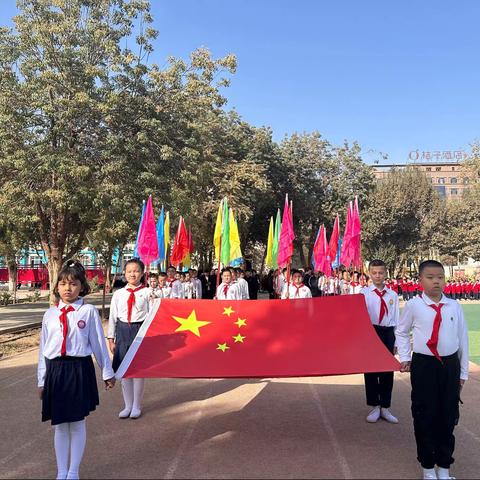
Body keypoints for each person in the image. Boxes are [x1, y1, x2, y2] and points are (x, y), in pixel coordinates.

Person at [38, 260, 115, 480]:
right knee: (60, 424)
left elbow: (99, 344)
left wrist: (107, 372)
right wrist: (41, 380)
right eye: (63, 284)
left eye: (73, 283)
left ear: (82, 286)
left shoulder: (88, 311)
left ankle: (73, 472)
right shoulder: (50, 315)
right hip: (55, 371)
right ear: (57, 287)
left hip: (78, 369)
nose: (67, 288)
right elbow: (44, 348)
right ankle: (61, 472)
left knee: (77, 421)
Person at [396, 260, 469, 480]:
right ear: (420, 281)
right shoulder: (414, 306)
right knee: (424, 414)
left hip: (449, 367)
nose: (436, 281)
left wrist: (463, 373)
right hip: (424, 365)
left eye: (440, 277)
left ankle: (444, 466)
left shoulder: (454, 306)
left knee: (448, 415)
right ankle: (428, 466)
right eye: (430, 277)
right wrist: (406, 357)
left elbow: (462, 339)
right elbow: (401, 332)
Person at [108, 258, 150, 419]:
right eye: (129, 271)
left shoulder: (147, 293)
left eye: (136, 271)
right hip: (123, 331)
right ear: (124, 273)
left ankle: (136, 406)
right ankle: (127, 405)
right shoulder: (118, 294)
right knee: (124, 370)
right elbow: (113, 317)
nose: (133, 274)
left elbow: (152, 314)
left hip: (140, 331)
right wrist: (111, 338)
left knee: (138, 371)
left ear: (142, 273)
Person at [361, 259, 399, 424]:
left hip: (387, 332)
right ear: (370, 273)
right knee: (370, 370)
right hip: (370, 332)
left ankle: (385, 406)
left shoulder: (393, 295)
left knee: (386, 370)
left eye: (381, 273)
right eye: (374, 273)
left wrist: (396, 340)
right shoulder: (363, 293)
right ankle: (374, 405)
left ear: (386, 274)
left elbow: (396, 318)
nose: (378, 276)